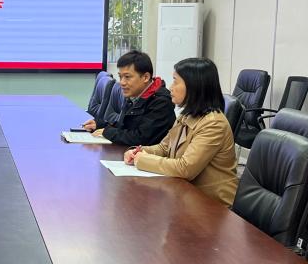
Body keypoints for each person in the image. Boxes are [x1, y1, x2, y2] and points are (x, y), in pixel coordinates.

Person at [125, 57, 239, 205]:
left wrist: (142, 160)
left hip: (211, 206)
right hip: (185, 196)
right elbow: (164, 148)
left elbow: (185, 168)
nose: (171, 87)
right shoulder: (187, 115)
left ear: (194, 86)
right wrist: (139, 151)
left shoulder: (214, 123)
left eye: (175, 81)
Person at [80, 50, 175, 147]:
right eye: (120, 77)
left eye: (127, 77)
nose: (122, 82)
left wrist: (107, 132)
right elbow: (125, 127)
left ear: (146, 77)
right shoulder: (135, 94)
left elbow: (141, 138)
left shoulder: (161, 102)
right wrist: (100, 125)